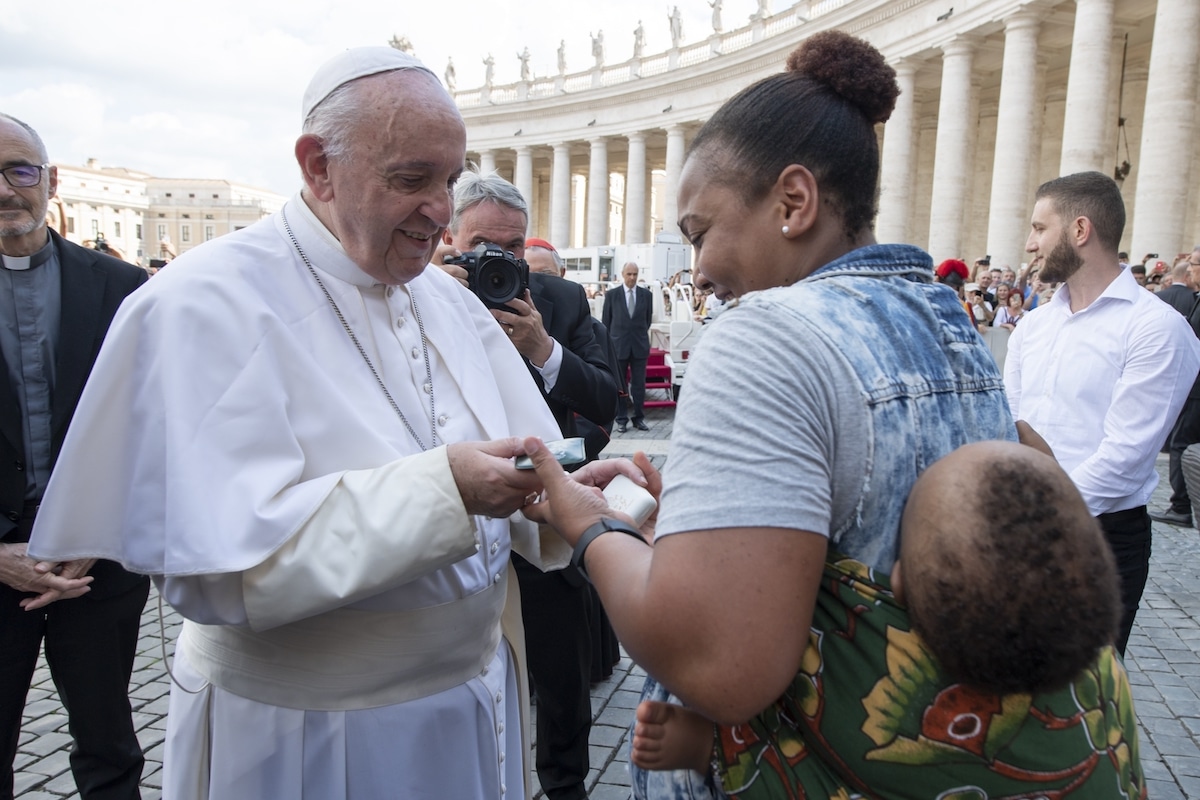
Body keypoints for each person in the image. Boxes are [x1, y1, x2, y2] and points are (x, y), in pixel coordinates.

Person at [522, 31, 1143, 800]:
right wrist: (690, 505)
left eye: (700, 232)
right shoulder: (948, 321)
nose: (699, 271)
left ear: (793, 201)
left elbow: (722, 664)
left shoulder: (761, 335)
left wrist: (587, 523)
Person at [26, 47, 643, 800]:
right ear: (318, 166)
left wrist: (562, 486)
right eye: (412, 179)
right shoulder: (201, 304)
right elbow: (222, 568)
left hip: (470, 702)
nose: (442, 212)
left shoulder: (448, 300)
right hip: (302, 733)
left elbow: (512, 459)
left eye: (449, 180)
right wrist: (446, 490)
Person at [629, 440, 1122, 781]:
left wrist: (704, 746)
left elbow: (804, 778)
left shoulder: (905, 733)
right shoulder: (1101, 670)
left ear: (899, 584)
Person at [435, 172, 619, 800]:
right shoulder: (417, 296)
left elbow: (606, 404)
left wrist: (545, 351)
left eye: (512, 247)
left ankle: (565, 787)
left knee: (562, 679)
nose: (499, 260)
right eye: (482, 244)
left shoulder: (560, 303)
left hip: (545, 517)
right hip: (456, 524)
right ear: (450, 237)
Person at [0, 113, 150, 800]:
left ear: (50, 181)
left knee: (109, 744)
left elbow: (154, 427)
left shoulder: (122, 290)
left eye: (19, 170)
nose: (5, 189)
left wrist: (97, 524)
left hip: (99, 569)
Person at [1006, 171, 1200, 656]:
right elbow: (1007, 419)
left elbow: (1127, 455)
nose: (1030, 244)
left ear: (1079, 230)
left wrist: (1046, 517)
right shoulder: (1034, 326)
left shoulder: (1156, 329)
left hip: (1100, 538)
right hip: (1021, 525)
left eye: (1038, 228)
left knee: (1081, 706)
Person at [1150, 246, 1200, 527]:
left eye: (1192, 264)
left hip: (1196, 391)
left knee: (1181, 444)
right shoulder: (1193, 297)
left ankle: (1181, 505)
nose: (1190, 269)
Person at [603, 262, 653, 433]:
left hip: (639, 346)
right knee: (620, 385)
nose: (632, 278)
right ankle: (621, 419)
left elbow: (647, 321)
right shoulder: (612, 295)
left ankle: (639, 418)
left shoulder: (647, 295)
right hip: (619, 347)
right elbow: (606, 323)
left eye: (635, 274)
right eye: (629, 274)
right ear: (622, 274)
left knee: (639, 385)